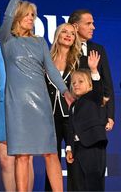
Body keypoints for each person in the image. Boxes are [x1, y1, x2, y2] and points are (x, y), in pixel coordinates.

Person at [0, 0, 74, 191]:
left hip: (41, 103)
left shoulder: (40, 42)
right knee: (22, 155)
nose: (31, 18)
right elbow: (6, 15)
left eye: (33, 15)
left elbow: (51, 70)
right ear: (18, 17)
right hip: (17, 105)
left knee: (50, 152)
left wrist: (65, 92)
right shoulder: (7, 40)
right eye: (27, 15)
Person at [0, 45, 34, 191]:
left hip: (25, 106)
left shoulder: (32, 49)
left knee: (25, 159)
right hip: (0, 106)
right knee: (5, 161)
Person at [44, 23, 81, 190]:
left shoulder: (79, 61)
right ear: (57, 35)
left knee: (74, 159)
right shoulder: (46, 59)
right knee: (51, 160)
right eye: (64, 32)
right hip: (50, 118)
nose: (68, 35)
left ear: (75, 39)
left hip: (73, 118)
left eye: (72, 33)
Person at [68, 10, 115, 132]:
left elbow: (107, 84)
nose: (93, 27)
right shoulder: (64, 49)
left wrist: (109, 114)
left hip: (95, 113)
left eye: (92, 23)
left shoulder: (98, 49)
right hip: (70, 112)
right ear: (75, 26)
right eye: (88, 24)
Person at [66, 53, 108, 191]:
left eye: (80, 81)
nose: (76, 85)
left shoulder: (92, 97)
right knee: (79, 185)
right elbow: (71, 128)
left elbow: (98, 89)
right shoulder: (72, 106)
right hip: (78, 148)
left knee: (94, 183)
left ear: (89, 84)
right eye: (73, 83)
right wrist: (69, 148)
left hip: (93, 146)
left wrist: (94, 70)